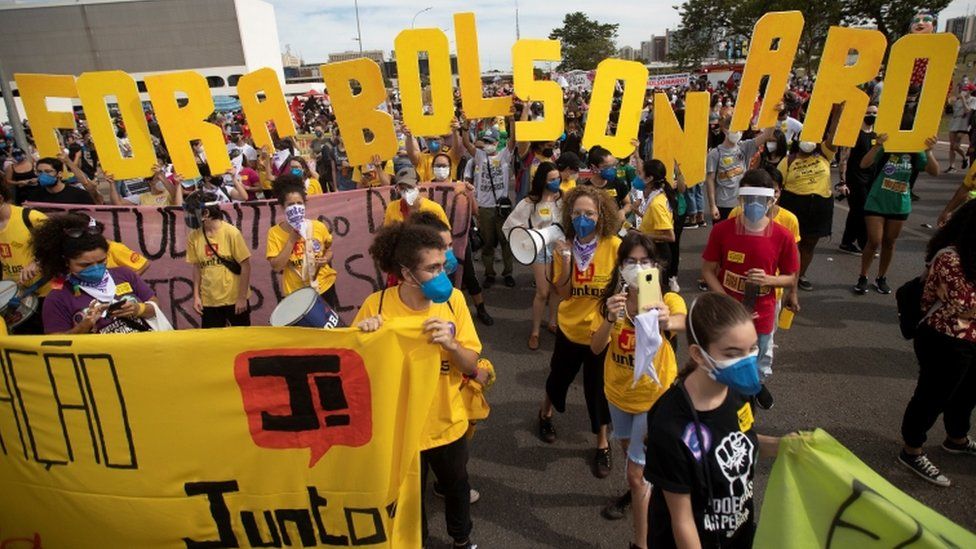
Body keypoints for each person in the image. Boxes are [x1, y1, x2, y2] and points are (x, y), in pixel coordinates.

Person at [354, 221, 486, 549]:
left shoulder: (454, 301)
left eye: (444, 266)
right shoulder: (377, 306)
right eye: (433, 268)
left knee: (456, 485)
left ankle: (462, 539)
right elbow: (357, 371)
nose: (443, 275)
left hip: (447, 422)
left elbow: (472, 365)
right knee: (410, 496)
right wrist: (365, 336)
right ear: (406, 273)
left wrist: (453, 346)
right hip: (402, 428)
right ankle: (418, 541)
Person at [644, 292, 783, 547]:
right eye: (732, 353)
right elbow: (682, 520)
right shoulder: (670, 423)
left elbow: (737, 441)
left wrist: (782, 447)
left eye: (752, 348)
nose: (747, 361)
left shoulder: (740, 391)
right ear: (698, 354)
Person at [591, 232, 686, 548]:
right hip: (618, 395)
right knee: (631, 455)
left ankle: (641, 543)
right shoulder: (612, 303)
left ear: (655, 266)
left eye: (644, 261)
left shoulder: (665, 299)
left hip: (653, 400)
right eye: (630, 261)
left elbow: (685, 320)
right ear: (620, 267)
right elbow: (595, 347)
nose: (637, 267)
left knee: (634, 475)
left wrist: (667, 320)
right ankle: (648, 489)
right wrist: (608, 318)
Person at [537, 185, 621, 478]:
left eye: (589, 213)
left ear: (601, 216)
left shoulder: (614, 246)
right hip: (570, 328)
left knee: (598, 389)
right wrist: (567, 262)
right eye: (577, 213)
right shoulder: (564, 247)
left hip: (601, 332)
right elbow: (561, 292)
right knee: (558, 378)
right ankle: (545, 413)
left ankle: (602, 444)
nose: (582, 218)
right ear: (568, 215)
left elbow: (633, 276)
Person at [702, 169, 799, 407]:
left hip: (763, 311)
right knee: (724, 353)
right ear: (740, 199)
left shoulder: (783, 236)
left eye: (761, 200)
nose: (754, 205)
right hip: (726, 310)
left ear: (771, 200)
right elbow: (707, 270)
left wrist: (770, 280)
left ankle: (753, 389)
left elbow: (790, 277)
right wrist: (726, 301)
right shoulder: (722, 230)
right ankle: (725, 395)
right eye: (749, 199)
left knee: (757, 354)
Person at [898, 199, 976, 487]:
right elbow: (962, 305)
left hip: (970, 338)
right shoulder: (950, 258)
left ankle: (956, 437)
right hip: (944, 338)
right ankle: (912, 449)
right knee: (933, 395)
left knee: (966, 393)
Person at [34, 214, 161, 334]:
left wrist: (139, 309)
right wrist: (83, 327)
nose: (95, 268)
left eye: (101, 261)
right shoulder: (57, 298)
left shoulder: (125, 274)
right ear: (66, 262)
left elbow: (154, 304)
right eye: (85, 265)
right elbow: (55, 343)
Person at [852, 134, 940, 295]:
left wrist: (929, 151)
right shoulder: (886, 147)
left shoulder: (915, 152)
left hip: (900, 204)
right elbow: (864, 164)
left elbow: (934, 171)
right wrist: (877, 145)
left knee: (889, 242)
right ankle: (863, 276)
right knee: (874, 240)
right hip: (877, 200)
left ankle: (881, 277)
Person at [502, 161, 563, 350]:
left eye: (558, 178)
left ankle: (552, 322)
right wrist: (529, 232)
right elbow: (510, 226)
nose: (556, 182)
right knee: (542, 292)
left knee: (557, 289)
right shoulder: (530, 202)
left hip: (559, 249)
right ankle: (535, 332)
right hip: (539, 249)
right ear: (542, 181)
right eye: (552, 179)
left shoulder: (562, 198)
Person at [777, 117, 838, 291]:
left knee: (809, 244)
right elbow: (778, 187)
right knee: (792, 244)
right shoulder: (788, 160)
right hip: (794, 204)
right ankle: (787, 274)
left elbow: (833, 136)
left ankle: (799, 276)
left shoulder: (825, 154)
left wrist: (837, 112)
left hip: (820, 206)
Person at [266, 174, 338, 307]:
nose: (296, 207)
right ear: (282, 207)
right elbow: (276, 266)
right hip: (296, 292)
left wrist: (326, 259)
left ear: (305, 204)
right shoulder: (274, 233)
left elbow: (329, 250)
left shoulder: (318, 226)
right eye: (291, 204)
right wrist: (291, 240)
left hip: (323, 286)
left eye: (299, 203)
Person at [184, 191, 252, 327]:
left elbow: (246, 266)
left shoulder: (231, 233)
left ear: (206, 213)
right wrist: (197, 296)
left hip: (234, 299)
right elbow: (197, 267)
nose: (191, 217)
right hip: (209, 301)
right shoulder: (194, 237)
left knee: (241, 340)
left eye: (194, 212)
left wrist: (242, 298)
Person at [462, 132, 516, 288]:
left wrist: (512, 120)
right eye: (485, 141)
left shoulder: (504, 156)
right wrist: (465, 124)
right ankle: (489, 273)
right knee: (488, 243)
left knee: (506, 243)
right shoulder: (479, 156)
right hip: (484, 208)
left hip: (501, 208)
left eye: (490, 141)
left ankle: (508, 273)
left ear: (497, 142)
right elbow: (466, 143)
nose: (487, 144)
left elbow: (513, 140)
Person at [0, 181, 50, 334]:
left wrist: (37, 262)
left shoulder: (31, 217)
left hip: (47, 292)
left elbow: (61, 245)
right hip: (16, 297)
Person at [705, 116, 769, 222]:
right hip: (723, 204)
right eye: (735, 129)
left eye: (740, 130)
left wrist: (774, 113)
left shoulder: (744, 147)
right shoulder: (715, 153)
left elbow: (767, 135)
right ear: (725, 130)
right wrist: (712, 206)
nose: (738, 133)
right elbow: (710, 180)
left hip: (742, 203)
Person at [837, 104, 879, 255]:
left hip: (871, 178)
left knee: (856, 212)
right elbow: (844, 159)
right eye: (868, 112)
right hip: (855, 178)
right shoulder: (853, 134)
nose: (872, 115)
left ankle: (846, 242)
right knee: (862, 211)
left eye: (874, 113)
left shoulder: (876, 134)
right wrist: (842, 182)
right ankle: (864, 244)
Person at [383, 166, 450, 227]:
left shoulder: (435, 209)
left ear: (418, 185)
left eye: (410, 186)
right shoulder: (392, 208)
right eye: (402, 188)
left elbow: (446, 235)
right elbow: (387, 235)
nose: (406, 191)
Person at [21, 156, 96, 205]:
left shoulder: (79, 195)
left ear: (59, 174)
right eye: (40, 172)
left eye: (48, 171)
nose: (43, 175)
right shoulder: (34, 197)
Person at [946, 87, 975, 172]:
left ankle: (965, 157)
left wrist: (963, 99)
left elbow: (968, 110)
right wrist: (949, 102)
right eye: (962, 90)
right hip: (954, 122)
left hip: (964, 124)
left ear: (970, 91)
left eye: (966, 90)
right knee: (952, 146)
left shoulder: (973, 100)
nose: (963, 92)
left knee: (956, 145)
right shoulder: (957, 100)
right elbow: (949, 111)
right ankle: (952, 166)